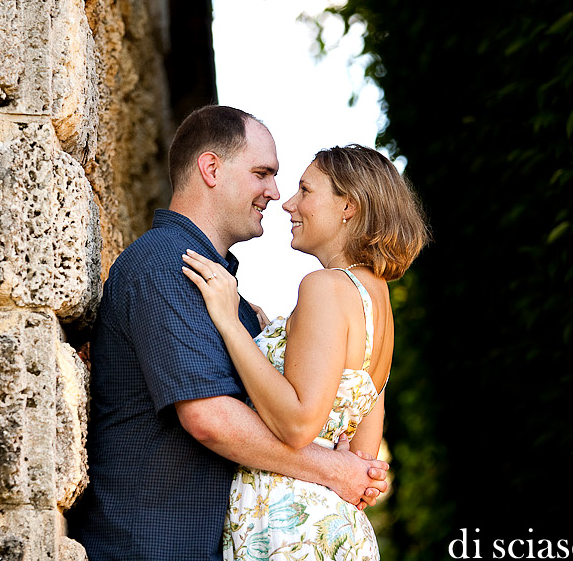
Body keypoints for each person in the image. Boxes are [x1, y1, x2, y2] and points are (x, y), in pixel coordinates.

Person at [66, 107, 390, 561]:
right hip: (151, 546)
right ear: (211, 168)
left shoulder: (221, 289)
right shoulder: (166, 265)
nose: (275, 195)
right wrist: (335, 468)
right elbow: (211, 419)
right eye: (262, 174)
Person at [181, 144, 430, 560]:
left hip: (286, 527)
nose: (289, 204)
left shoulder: (324, 286)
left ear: (348, 205)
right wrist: (274, 336)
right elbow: (363, 456)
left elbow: (298, 425)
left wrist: (228, 322)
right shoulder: (378, 303)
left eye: (306, 191)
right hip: (335, 530)